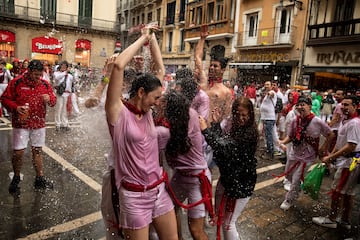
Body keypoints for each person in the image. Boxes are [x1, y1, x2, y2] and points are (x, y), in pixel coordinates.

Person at [105, 25, 178, 240]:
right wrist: (142, 37)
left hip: (158, 192)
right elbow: (118, 65)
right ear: (140, 92)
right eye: (155, 98)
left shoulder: (146, 112)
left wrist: (153, 38)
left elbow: (160, 70)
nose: (157, 104)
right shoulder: (117, 113)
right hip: (134, 197)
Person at [199, 96, 258, 240]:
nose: (241, 118)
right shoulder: (235, 128)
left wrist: (206, 130)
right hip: (228, 180)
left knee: (228, 224)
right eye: (237, 114)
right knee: (221, 218)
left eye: (244, 115)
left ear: (250, 115)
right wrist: (216, 125)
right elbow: (222, 144)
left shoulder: (249, 133)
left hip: (240, 185)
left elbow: (224, 148)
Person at [156, 90, 211, 240]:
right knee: (170, 211)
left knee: (196, 230)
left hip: (196, 180)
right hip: (180, 177)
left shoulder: (165, 132)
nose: (157, 105)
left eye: (162, 105)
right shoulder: (191, 114)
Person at [0, 59, 57, 193]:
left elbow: (53, 100)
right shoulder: (17, 82)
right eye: (36, 74)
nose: (39, 78)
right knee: (18, 153)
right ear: (29, 71)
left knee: (37, 150)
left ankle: (39, 178)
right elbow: (4, 99)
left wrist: (50, 100)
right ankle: (16, 177)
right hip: (21, 123)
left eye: (40, 74)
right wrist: (16, 107)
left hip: (39, 123)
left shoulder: (45, 84)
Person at [278, 96, 335, 210]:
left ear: (309, 106)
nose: (300, 107)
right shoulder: (295, 120)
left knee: (296, 179)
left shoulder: (317, 121)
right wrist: (282, 142)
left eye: (303, 104)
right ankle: (296, 189)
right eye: (298, 105)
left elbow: (330, 134)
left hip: (308, 156)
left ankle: (289, 199)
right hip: (294, 153)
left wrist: (323, 148)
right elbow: (290, 136)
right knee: (288, 176)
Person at [312, 95, 360, 230]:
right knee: (347, 192)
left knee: (337, 190)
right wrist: (332, 154)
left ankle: (332, 219)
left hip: (349, 163)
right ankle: (345, 221)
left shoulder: (354, 123)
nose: (343, 107)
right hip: (348, 161)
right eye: (342, 104)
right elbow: (341, 142)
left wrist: (331, 157)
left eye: (347, 105)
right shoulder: (347, 121)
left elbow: (351, 145)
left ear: (355, 106)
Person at [53, 60, 74, 131]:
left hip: (67, 94)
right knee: (58, 109)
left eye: (65, 66)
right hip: (59, 93)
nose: (63, 67)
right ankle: (57, 124)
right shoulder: (56, 73)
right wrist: (65, 72)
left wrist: (71, 93)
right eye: (62, 66)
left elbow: (71, 84)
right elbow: (56, 78)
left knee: (65, 110)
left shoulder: (70, 76)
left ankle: (65, 123)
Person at [259, 81, 277, 160]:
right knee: (267, 135)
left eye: (268, 85)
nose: (266, 86)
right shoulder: (265, 94)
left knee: (269, 136)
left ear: (271, 86)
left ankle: (270, 153)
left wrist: (268, 93)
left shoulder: (272, 92)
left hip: (269, 118)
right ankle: (269, 150)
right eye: (265, 84)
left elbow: (271, 94)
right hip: (265, 118)